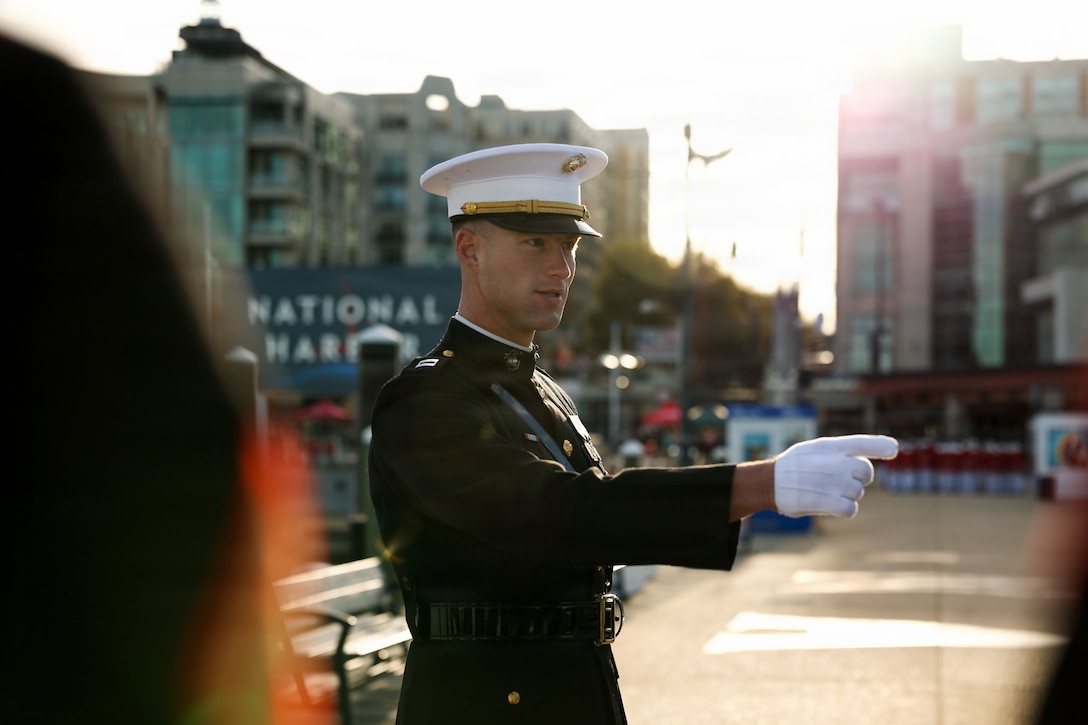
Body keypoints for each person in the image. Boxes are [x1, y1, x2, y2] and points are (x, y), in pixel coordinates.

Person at [367, 143, 898, 724]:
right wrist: (755, 485)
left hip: (572, 693)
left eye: (568, 246)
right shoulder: (425, 398)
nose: (561, 267)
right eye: (534, 243)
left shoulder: (541, 389)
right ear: (469, 248)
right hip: (484, 704)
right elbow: (559, 516)